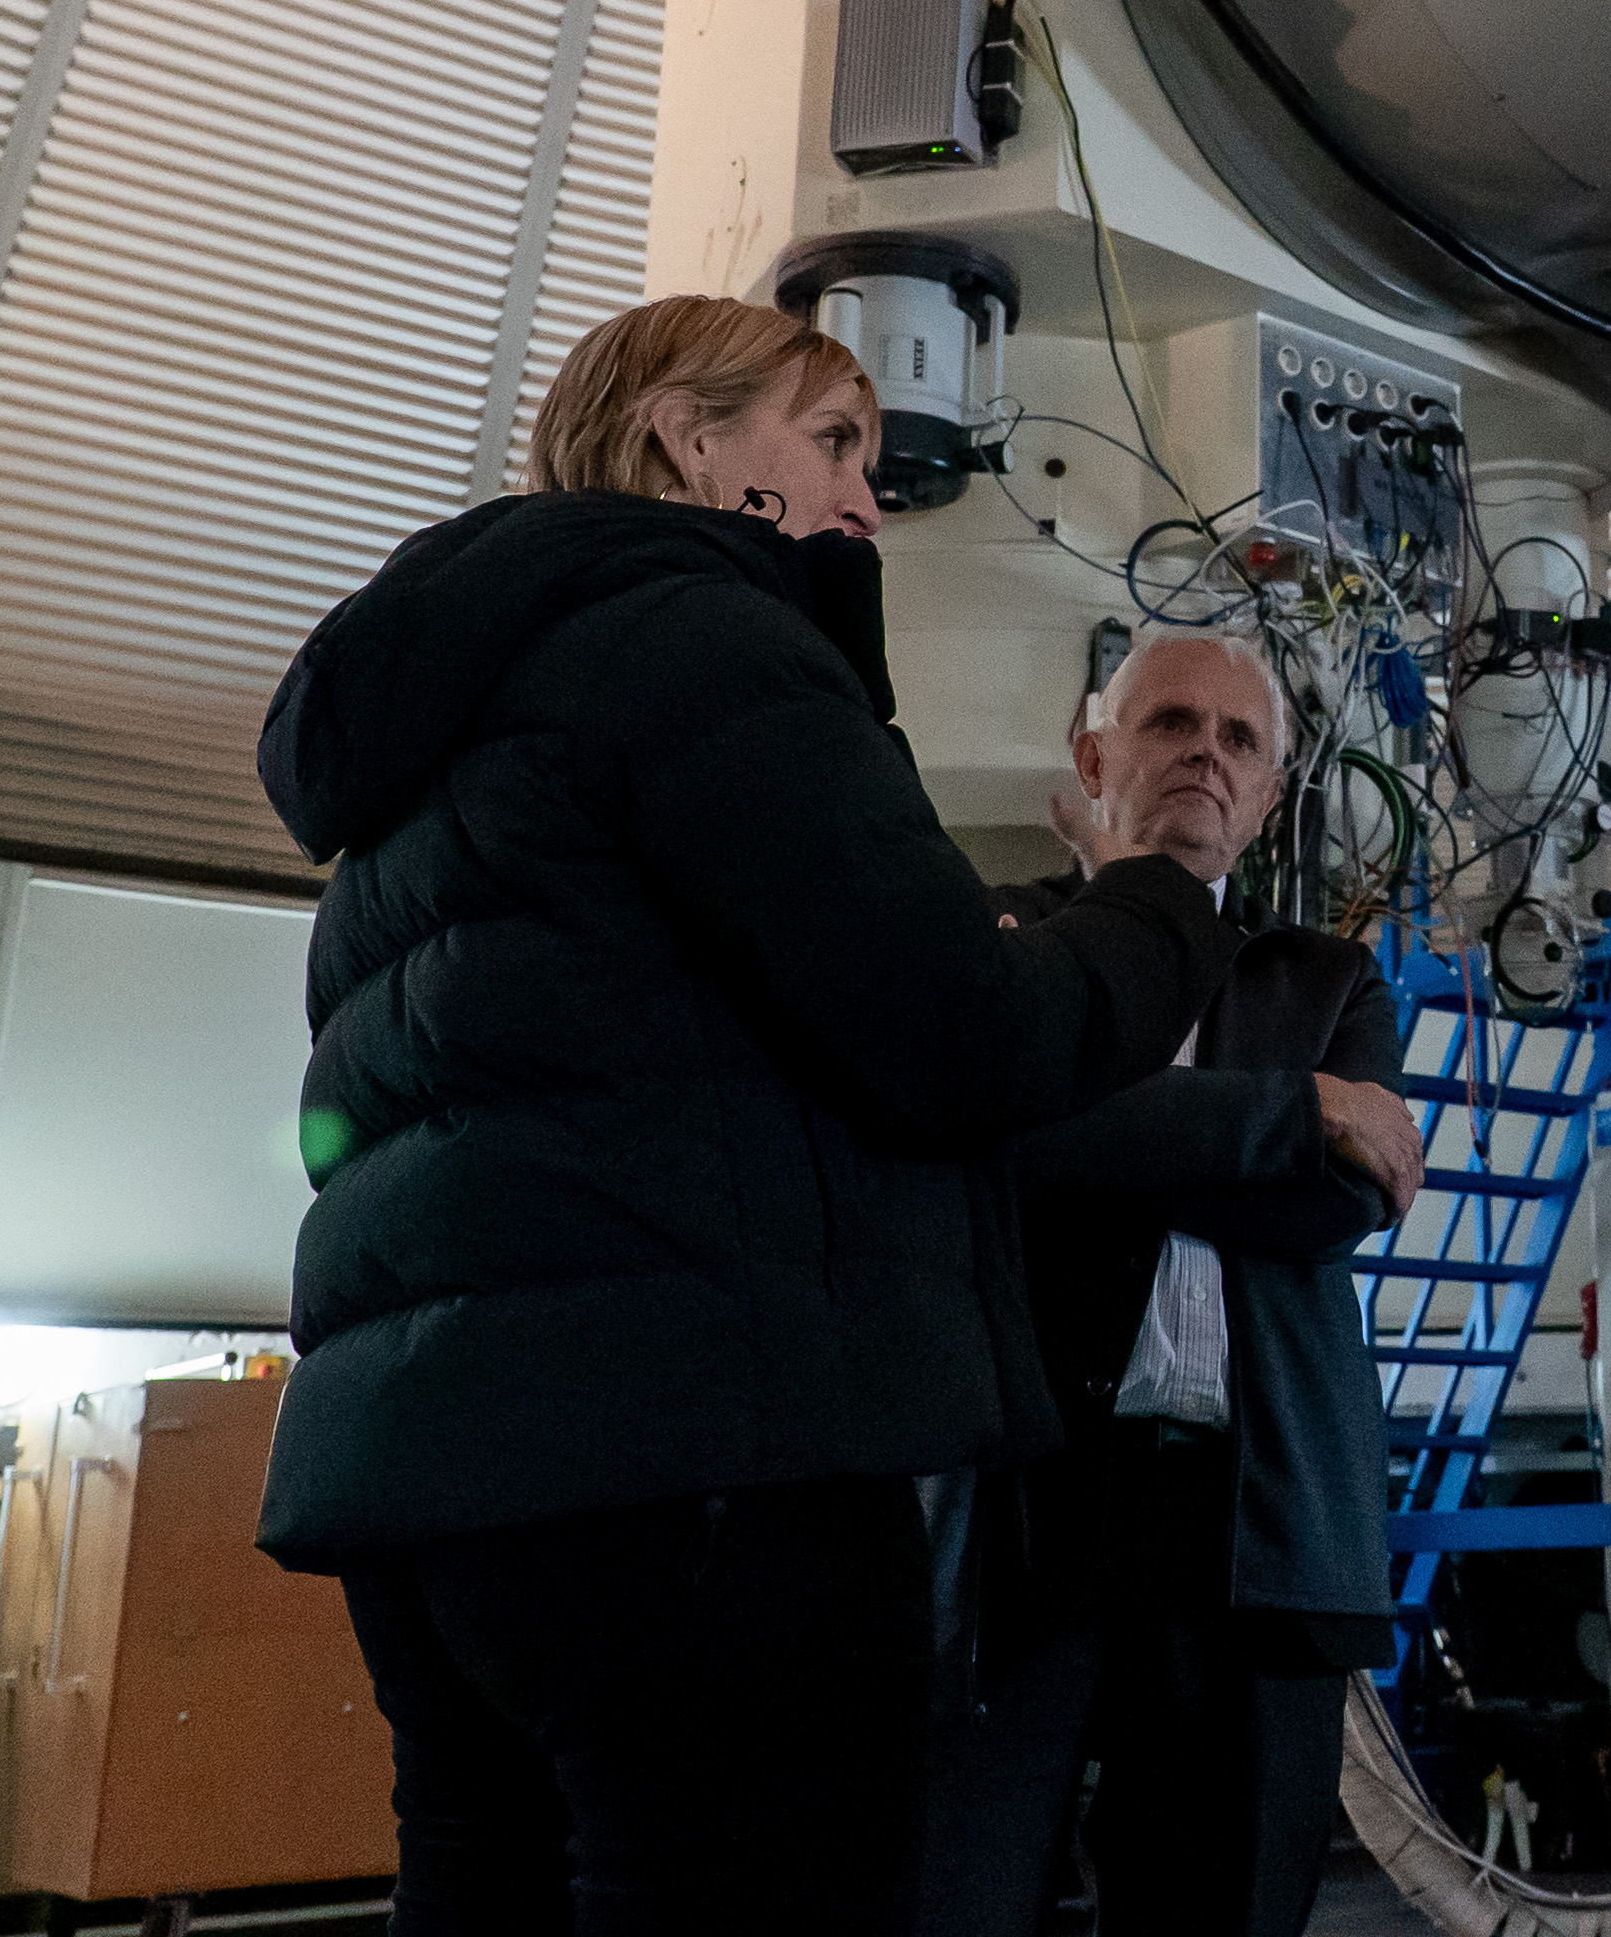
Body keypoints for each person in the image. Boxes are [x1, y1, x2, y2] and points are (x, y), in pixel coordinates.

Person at [251, 294, 1245, 1937]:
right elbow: (971, 1038)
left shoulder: (441, 732)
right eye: (835, 440)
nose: (872, 496)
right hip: (694, 1473)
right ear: (692, 443)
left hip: (436, 1496)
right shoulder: (696, 637)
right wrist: (1158, 892)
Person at [917, 625, 1424, 1937]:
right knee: (956, 1898)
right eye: (1169, 725)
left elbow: (1338, 1201)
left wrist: (1095, 1130)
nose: (1205, 752)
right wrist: (1285, 1115)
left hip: (1255, 1541)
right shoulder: (1001, 941)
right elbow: (988, 1143)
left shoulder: (1332, 984)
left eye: (1238, 739)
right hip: (1030, 1517)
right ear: (1093, 756)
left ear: (1266, 799)